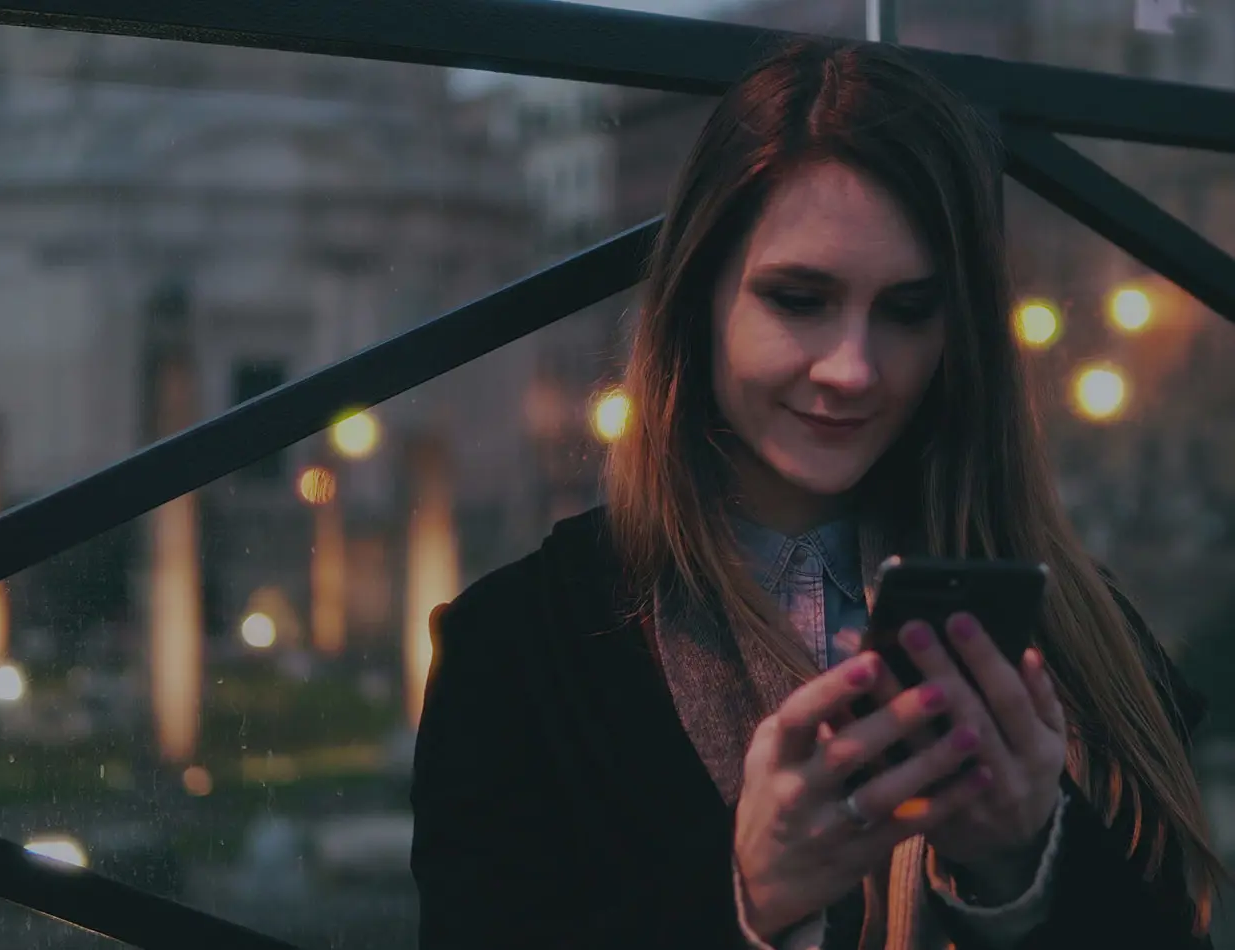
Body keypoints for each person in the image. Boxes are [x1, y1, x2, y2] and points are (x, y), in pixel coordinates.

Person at [409, 36, 1220, 950]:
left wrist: (1024, 867)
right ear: (699, 296)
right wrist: (748, 899)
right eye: (799, 299)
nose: (853, 369)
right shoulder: (515, 648)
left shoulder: (1086, 634)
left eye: (908, 310)